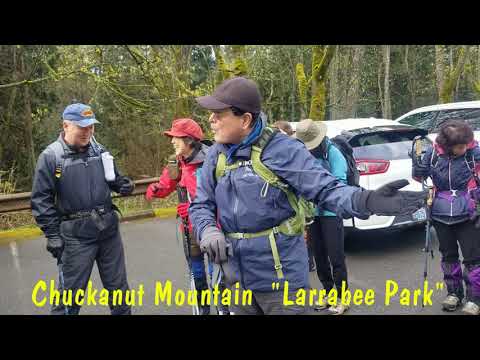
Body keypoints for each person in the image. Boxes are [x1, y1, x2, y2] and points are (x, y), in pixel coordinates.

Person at [188, 76, 427, 315]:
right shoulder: (216, 155)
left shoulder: (283, 150)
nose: (211, 120)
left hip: (282, 282)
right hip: (237, 281)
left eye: (219, 113)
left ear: (245, 120)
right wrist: (207, 229)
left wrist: (366, 200)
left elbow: (326, 189)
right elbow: (200, 204)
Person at [31, 103, 135, 315]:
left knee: (120, 294)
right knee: (69, 300)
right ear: (66, 125)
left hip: (108, 232)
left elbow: (114, 178)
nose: (88, 132)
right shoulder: (52, 157)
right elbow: (41, 200)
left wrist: (124, 184)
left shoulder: (100, 150)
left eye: (91, 127)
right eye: (82, 127)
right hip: (76, 238)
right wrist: (52, 235)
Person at [145, 118, 227, 315]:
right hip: (189, 231)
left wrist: (191, 207)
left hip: (213, 229)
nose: (172, 141)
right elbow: (167, 184)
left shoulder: (212, 160)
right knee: (197, 276)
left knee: (217, 277)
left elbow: (224, 196)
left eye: (176, 138)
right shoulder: (177, 162)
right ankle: (202, 311)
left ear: (189, 140)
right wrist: (154, 190)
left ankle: (225, 311)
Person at [413, 120, 480, 315]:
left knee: (474, 258)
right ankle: (454, 293)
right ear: (448, 146)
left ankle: (475, 298)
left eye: (466, 144)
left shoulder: (473, 154)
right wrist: (417, 165)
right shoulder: (434, 154)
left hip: (468, 213)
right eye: (459, 146)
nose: (464, 148)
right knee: (448, 256)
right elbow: (419, 177)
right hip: (441, 213)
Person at [295, 119, 350, 315]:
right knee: (319, 256)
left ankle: (343, 297)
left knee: (336, 256)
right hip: (312, 213)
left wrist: (318, 193)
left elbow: (340, 182)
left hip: (331, 212)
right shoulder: (303, 153)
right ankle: (329, 292)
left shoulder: (333, 152)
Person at [273, 120, 316, 272]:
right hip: (299, 204)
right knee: (302, 233)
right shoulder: (291, 148)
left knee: (301, 233)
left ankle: (306, 262)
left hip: (298, 204)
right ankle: (307, 262)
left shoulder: (291, 150)